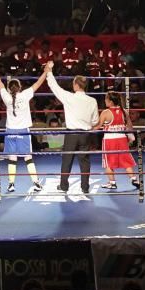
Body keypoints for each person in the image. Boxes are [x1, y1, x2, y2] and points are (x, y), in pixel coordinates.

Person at [0, 60, 47, 193]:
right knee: (28, 158)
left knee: (12, 159)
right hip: (23, 131)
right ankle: (36, 183)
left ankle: (11, 184)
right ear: (20, 87)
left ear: (9, 88)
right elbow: (38, 83)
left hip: (10, 131)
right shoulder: (25, 94)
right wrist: (46, 71)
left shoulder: (6, 97)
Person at [45, 61, 99, 194]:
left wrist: (49, 71)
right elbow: (95, 120)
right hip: (85, 134)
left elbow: (54, 86)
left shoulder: (69, 97)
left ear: (75, 85)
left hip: (72, 134)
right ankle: (85, 187)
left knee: (67, 160)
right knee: (85, 161)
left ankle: (64, 186)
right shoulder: (92, 101)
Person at [94, 91, 139, 190]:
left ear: (110, 101)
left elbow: (97, 126)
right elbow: (130, 126)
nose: (105, 101)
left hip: (110, 140)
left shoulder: (106, 112)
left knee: (108, 162)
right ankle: (134, 179)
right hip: (122, 138)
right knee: (126, 161)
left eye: (106, 99)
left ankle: (112, 183)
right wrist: (129, 135)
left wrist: (87, 129)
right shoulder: (124, 111)